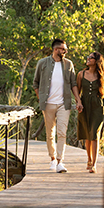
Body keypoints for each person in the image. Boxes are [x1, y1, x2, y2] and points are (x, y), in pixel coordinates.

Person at [32, 39, 78, 173]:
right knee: (50, 133)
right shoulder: (42, 63)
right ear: (56, 49)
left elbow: (73, 84)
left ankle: (59, 161)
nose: (65, 51)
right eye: (64, 49)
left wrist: (78, 100)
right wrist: (41, 99)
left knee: (62, 132)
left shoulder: (69, 64)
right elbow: (36, 83)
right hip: (48, 104)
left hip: (64, 103)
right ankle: (52, 158)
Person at [73, 51, 104, 173]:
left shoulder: (103, 76)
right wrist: (78, 102)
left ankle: (94, 164)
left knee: (95, 134)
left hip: (98, 107)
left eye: (91, 57)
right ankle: (89, 160)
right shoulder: (81, 74)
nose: (88, 59)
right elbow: (77, 92)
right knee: (87, 135)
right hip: (84, 107)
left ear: (97, 61)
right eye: (88, 57)